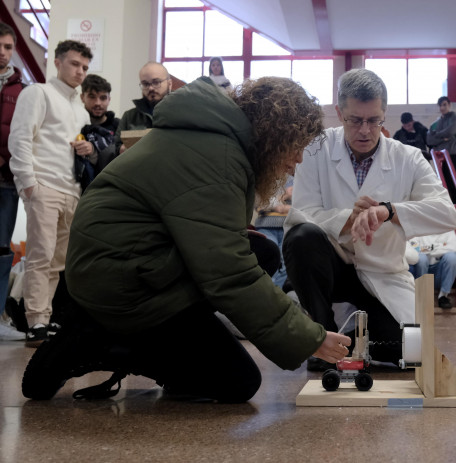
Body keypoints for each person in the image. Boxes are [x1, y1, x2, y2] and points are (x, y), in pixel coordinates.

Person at [21, 76, 351, 403]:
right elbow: (229, 271)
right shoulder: (217, 157)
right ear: (274, 134)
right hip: (118, 282)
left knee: (262, 251)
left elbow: (223, 252)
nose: (298, 159)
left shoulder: (211, 137)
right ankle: (101, 340)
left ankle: (155, 341)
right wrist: (309, 338)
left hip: (130, 263)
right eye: (295, 146)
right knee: (238, 381)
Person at [283, 69, 456, 370]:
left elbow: (447, 213)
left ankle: (354, 339)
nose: (365, 130)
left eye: (373, 120)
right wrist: (347, 220)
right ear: (339, 113)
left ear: (384, 114)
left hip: (384, 273)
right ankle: (323, 341)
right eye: (355, 120)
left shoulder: (409, 157)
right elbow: (300, 215)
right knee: (301, 238)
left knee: (413, 354)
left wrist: (390, 211)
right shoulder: (315, 150)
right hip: (334, 267)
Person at [8, 40, 92, 347]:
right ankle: (36, 321)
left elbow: (79, 149)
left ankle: (46, 317)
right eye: (74, 64)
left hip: (71, 191)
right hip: (43, 186)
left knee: (58, 262)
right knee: (40, 257)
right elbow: (20, 139)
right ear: (57, 62)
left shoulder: (80, 109)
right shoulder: (38, 93)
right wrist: (28, 184)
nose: (80, 71)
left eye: (84, 67)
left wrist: (88, 147)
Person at [0, 22, 25, 341]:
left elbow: (22, 135)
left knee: (3, 251)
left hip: (6, 179)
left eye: (7, 47)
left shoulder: (22, 90)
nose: (2, 53)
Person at [114, 62, 172, 154]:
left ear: (169, 84)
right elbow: (115, 147)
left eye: (156, 82)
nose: (151, 88)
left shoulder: (181, 113)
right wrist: (122, 149)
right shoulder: (129, 117)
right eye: (145, 84)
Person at [254, 176, 293, 288]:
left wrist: (280, 205)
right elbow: (260, 203)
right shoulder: (268, 176)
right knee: (268, 260)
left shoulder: (299, 179)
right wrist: (284, 196)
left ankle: (275, 295)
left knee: (286, 266)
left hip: (288, 228)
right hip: (266, 227)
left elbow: (303, 207)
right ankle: (265, 292)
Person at [406, 230, 456, 309]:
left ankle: (443, 296)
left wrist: (428, 250)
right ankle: (421, 296)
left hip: (439, 273)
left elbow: (453, 248)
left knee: (452, 258)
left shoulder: (448, 229)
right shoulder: (418, 227)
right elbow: (412, 249)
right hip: (419, 272)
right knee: (422, 259)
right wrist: (440, 248)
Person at [80, 74, 120, 179]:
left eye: (103, 98)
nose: (98, 103)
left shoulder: (119, 126)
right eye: (92, 97)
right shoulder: (75, 125)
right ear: (82, 97)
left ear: (109, 99)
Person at [427, 96, 456, 173]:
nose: (442, 107)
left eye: (444, 104)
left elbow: (450, 131)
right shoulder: (434, 124)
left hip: (452, 155)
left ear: (449, 105)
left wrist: (436, 135)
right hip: (439, 156)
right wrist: (443, 139)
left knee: (452, 182)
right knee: (441, 182)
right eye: (440, 105)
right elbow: (429, 140)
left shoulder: (455, 118)